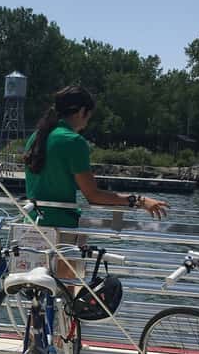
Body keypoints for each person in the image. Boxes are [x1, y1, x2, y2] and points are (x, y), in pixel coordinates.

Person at [24, 86, 169, 280]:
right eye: (89, 115)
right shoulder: (74, 142)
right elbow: (93, 195)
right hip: (62, 230)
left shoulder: (36, 137)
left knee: (39, 293)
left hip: (31, 226)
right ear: (83, 111)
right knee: (67, 294)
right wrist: (139, 200)